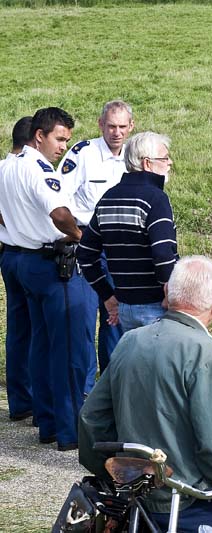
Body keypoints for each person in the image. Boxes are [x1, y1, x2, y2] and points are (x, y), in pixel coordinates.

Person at [78, 256, 212, 532]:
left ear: (167, 292)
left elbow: (91, 419)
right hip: (187, 502)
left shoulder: (129, 340)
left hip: (136, 500)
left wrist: (112, 474)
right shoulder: (208, 354)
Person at [0, 107, 95, 451]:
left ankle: (46, 421)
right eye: (59, 139)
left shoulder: (10, 166)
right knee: (69, 349)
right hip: (52, 263)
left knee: (39, 343)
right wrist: (81, 236)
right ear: (39, 135)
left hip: (23, 257)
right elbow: (58, 212)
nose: (62, 147)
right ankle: (70, 430)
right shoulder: (39, 170)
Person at [57, 100, 133, 376]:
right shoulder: (83, 154)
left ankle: (112, 385)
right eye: (111, 126)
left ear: (131, 127)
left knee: (117, 318)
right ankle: (86, 391)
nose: (116, 132)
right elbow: (59, 197)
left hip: (122, 245)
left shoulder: (135, 156)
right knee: (84, 320)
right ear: (100, 124)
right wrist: (76, 236)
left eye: (122, 126)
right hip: (88, 243)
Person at [77, 131, 178, 333]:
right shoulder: (155, 198)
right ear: (147, 163)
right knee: (159, 364)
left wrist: (106, 295)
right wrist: (171, 293)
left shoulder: (108, 197)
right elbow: (162, 254)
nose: (170, 163)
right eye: (165, 158)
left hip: (124, 307)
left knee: (131, 363)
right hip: (156, 306)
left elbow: (85, 253)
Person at [0, 115, 34, 423]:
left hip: (7, 253)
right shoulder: (26, 169)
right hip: (29, 253)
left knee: (17, 328)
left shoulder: (1, 168)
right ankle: (35, 397)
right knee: (38, 328)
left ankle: (19, 399)